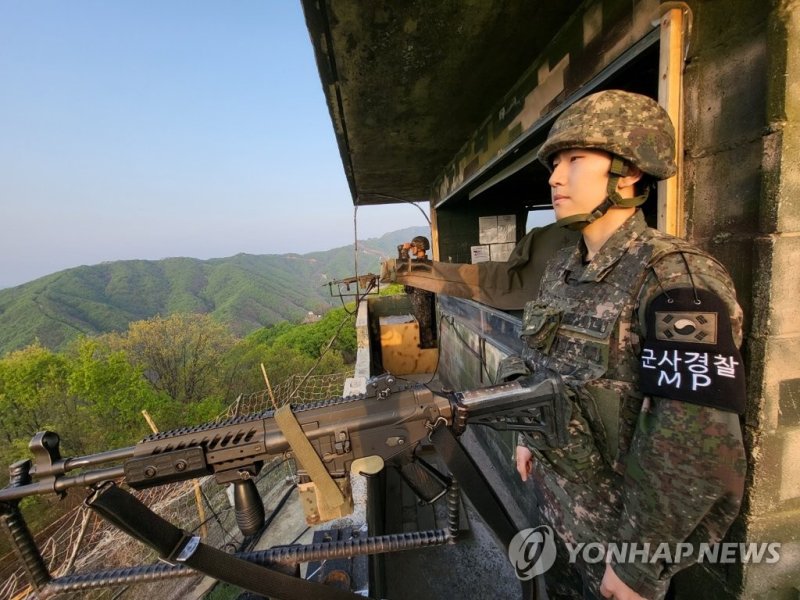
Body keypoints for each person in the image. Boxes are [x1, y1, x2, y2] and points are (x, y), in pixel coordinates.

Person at [511, 89, 747, 599]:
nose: (555, 177)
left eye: (575, 160)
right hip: (556, 515)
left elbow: (692, 445)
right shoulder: (561, 270)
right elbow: (537, 364)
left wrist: (640, 565)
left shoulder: (676, 279)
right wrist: (526, 430)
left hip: (617, 544)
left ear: (629, 172)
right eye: (555, 163)